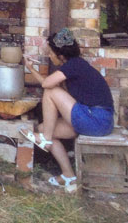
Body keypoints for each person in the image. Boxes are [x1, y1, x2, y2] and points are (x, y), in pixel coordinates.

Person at [21, 28, 115, 192]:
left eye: (51, 53)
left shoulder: (74, 65)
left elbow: (47, 85)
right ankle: (68, 175)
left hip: (96, 119)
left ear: (61, 55)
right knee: (43, 128)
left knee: (51, 92)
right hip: (94, 119)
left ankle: (46, 138)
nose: (50, 56)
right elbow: (49, 82)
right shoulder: (73, 67)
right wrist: (31, 69)